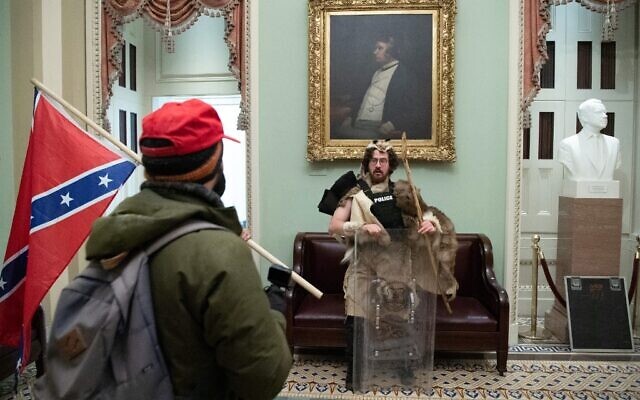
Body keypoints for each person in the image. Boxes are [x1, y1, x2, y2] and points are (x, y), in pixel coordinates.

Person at [84, 99, 292, 399]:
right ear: (215, 164)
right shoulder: (220, 251)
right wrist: (274, 313)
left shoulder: (118, 229)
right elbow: (264, 378)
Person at [324, 140, 457, 389]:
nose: (378, 165)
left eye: (383, 161)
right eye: (374, 160)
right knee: (356, 316)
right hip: (363, 261)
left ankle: (405, 367)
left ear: (390, 165)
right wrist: (362, 226)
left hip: (397, 262)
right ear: (367, 163)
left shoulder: (403, 192)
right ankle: (354, 371)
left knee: (400, 316)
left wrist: (430, 224)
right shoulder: (354, 193)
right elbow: (334, 226)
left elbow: (427, 215)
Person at [334, 34, 424, 139]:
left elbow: (415, 110)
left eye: (380, 48)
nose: (375, 52)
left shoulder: (405, 75)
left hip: (377, 129)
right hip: (357, 124)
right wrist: (350, 117)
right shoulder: (375, 71)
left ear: (392, 51)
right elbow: (363, 98)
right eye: (376, 48)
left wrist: (392, 124)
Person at [558, 98, 621, 181]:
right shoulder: (568, 144)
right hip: (580, 188)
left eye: (605, 112)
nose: (605, 116)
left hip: (608, 188)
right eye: (599, 112)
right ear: (584, 117)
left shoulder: (614, 143)